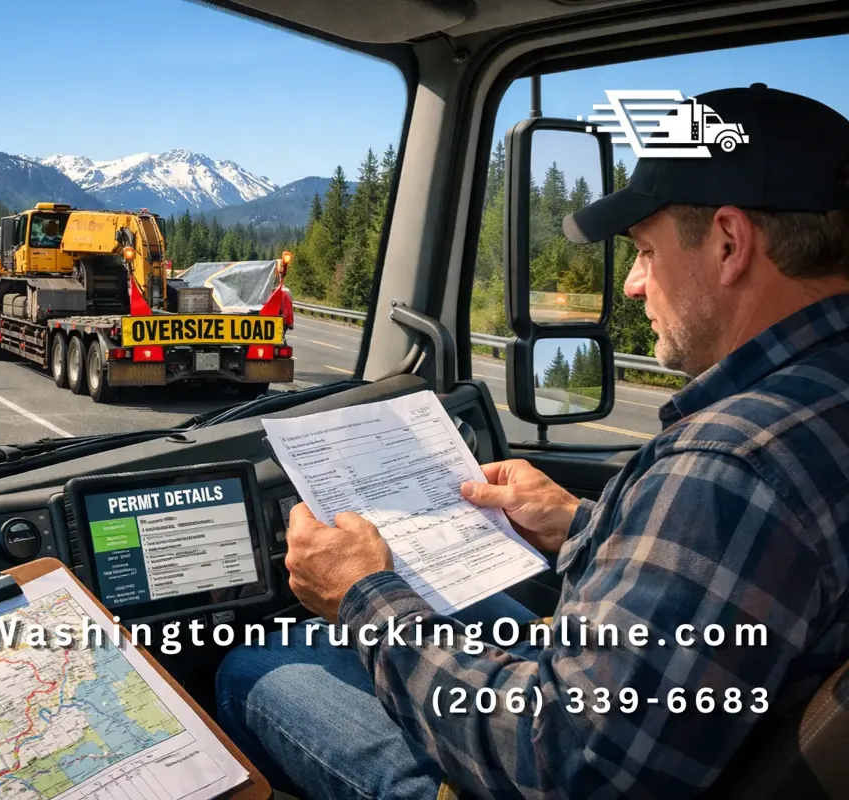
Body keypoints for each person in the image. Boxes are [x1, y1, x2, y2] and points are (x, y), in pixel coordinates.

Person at [214, 84, 849, 799]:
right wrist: (584, 526)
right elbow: (735, 575)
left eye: (643, 252)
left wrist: (363, 594)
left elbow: (561, 763)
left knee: (260, 667)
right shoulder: (819, 402)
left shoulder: (729, 464)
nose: (635, 286)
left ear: (730, 243)